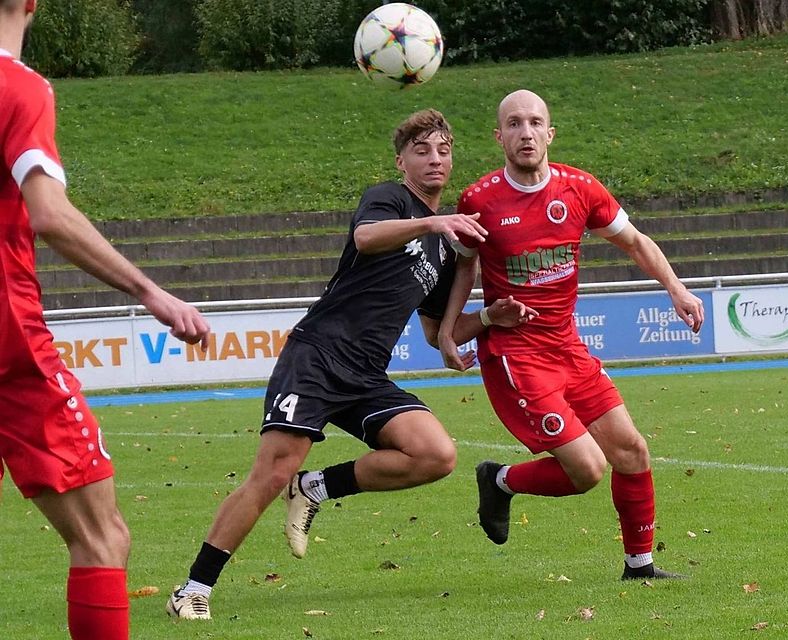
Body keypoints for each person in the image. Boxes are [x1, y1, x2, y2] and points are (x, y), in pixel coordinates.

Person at [167, 109, 537, 620]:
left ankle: (314, 487)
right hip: (317, 356)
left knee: (434, 454)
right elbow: (367, 237)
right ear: (402, 160)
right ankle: (192, 589)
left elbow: (439, 336)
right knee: (272, 471)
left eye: (444, 150)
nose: (435, 160)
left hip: (364, 374)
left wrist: (491, 318)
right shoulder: (388, 198)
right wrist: (434, 220)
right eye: (423, 150)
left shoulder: (442, 248)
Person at [0, 2, 211, 639]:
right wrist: (150, 291)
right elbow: (49, 215)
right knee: (101, 538)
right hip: (8, 338)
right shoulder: (19, 88)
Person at [438, 89, 705, 581]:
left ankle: (640, 566)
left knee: (632, 451)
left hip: (568, 347)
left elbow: (634, 241)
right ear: (499, 137)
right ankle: (499, 480)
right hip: (517, 355)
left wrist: (677, 290)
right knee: (587, 470)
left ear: (550, 133)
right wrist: (452, 331)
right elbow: (464, 269)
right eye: (514, 124)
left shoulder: (579, 189)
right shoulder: (480, 200)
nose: (526, 133)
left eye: (535, 123)